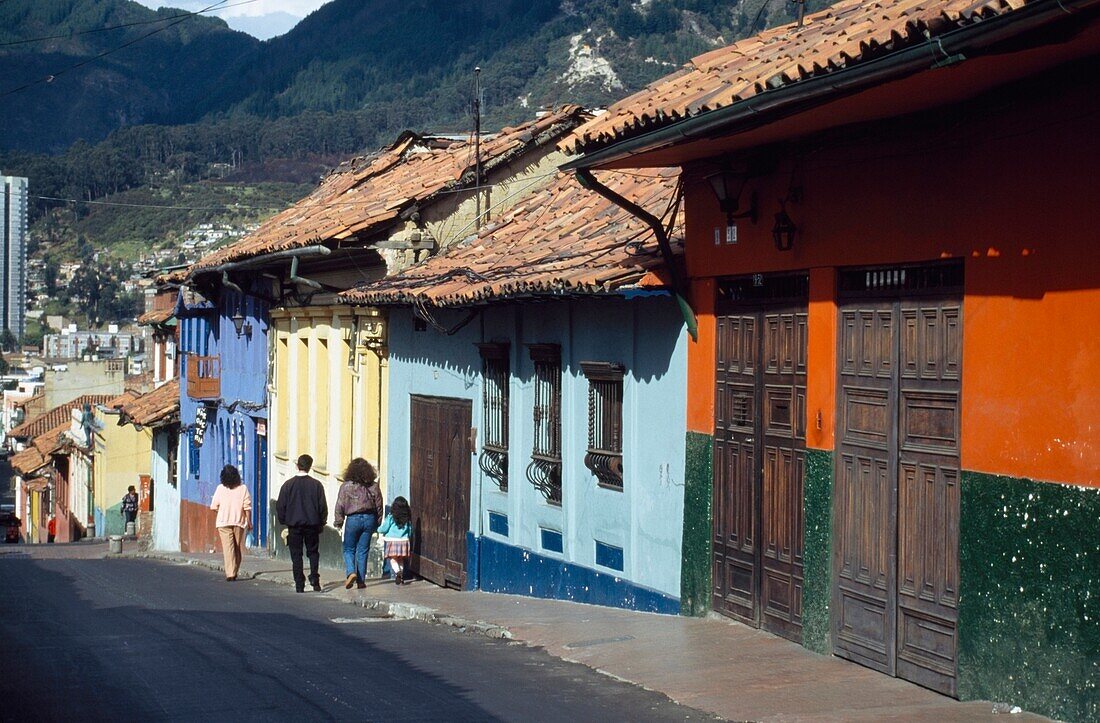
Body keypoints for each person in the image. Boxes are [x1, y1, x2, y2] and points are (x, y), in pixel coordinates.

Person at [276, 454, 328, 593]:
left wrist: (284, 520)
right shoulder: (316, 485)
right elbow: (322, 506)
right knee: (313, 552)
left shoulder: (288, 485)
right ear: (310, 467)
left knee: (296, 555)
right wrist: (322, 522)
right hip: (312, 524)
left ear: (297, 465)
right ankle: (314, 578)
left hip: (294, 525)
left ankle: (299, 583)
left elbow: (281, 505)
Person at [333, 458, 383, 590]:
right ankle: (361, 581)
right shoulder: (373, 486)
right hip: (369, 519)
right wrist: (377, 524)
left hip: (353, 519)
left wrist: (338, 522)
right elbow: (379, 506)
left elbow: (340, 505)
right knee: (363, 550)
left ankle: (351, 572)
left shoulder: (345, 486)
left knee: (349, 549)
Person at [210, 464, 252, 582]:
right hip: (239, 521)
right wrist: (249, 521)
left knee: (228, 548)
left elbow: (214, 506)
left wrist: (222, 512)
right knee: (237, 547)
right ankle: (233, 571)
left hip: (223, 522)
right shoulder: (243, 488)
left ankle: (231, 572)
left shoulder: (220, 488)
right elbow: (247, 507)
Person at [377, 496, 413, 585]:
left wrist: (378, 530)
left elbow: (384, 528)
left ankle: (397, 572)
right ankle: (401, 575)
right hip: (404, 541)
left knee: (393, 559)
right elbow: (410, 530)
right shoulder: (407, 519)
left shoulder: (391, 517)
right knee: (400, 559)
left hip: (392, 541)